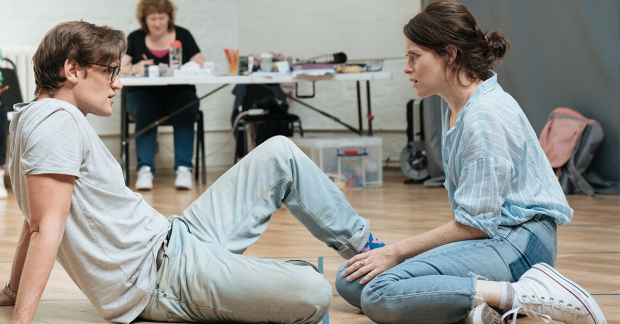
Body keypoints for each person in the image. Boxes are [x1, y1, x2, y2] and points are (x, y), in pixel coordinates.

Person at [0, 21, 385, 324]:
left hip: (174, 236)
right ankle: (260, 275)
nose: (118, 83)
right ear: (72, 70)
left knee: (279, 153)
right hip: (160, 280)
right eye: (110, 71)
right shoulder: (56, 121)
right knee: (313, 293)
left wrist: (13, 291)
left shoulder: (30, 117)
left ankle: (370, 254)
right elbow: (43, 227)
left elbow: (33, 220)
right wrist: (22, 321)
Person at [335, 2, 607, 324]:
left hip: (520, 245)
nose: (407, 68)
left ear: (449, 55)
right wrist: (394, 255)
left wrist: (395, 251)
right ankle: (478, 307)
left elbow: (475, 224)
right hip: (494, 237)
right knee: (351, 280)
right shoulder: (455, 105)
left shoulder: (483, 117)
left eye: (414, 56)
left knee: (379, 293)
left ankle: (523, 294)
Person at [120, 0, 205, 190]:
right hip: (142, 94)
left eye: (161, 18)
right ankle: (145, 170)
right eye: (153, 19)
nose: (157, 23)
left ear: (169, 17)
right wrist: (135, 68)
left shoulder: (183, 35)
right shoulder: (135, 37)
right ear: (145, 19)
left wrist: (187, 69)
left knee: (185, 105)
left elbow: (200, 63)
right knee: (147, 108)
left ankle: (184, 168)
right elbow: (118, 66)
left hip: (178, 93)